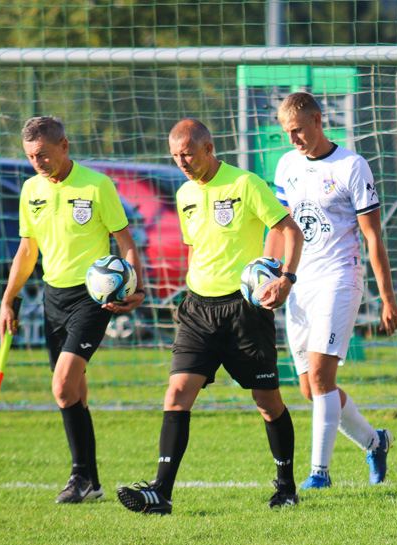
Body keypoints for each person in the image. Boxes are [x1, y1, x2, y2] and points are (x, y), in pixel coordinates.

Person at [116, 119, 304, 513]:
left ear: (208, 148)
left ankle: (286, 486)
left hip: (244, 311)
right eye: (175, 155)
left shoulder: (246, 184)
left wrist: (284, 279)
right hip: (198, 309)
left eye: (187, 153)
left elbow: (291, 230)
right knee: (176, 393)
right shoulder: (184, 193)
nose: (181, 161)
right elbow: (200, 249)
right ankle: (161, 492)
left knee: (267, 401)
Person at [0, 116, 146, 504]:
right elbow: (27, 251)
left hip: (92, 297)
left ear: (64, 146)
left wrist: (137, 285)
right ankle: (91, 483)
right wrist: (8, 298)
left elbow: (125, 241)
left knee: (62, 386)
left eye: (44, 155)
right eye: (31, 156)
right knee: (74, 392)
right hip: (53, 299)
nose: (38, 163)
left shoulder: (97, 185)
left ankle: (79, 475)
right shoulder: (30, 189)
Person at [264, 92, 397, 489]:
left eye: (298, 131)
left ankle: (318, 474)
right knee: (310, 389)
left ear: (318, 121)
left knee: (323, 378)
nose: (293, 140)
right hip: (296, 282)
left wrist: (388, 299)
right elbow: (280, 226)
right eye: (287, 133)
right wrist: (269, 274)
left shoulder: (352, 166)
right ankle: (375, 443)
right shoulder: (287, 164)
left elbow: (373, 237)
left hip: (339, 280)